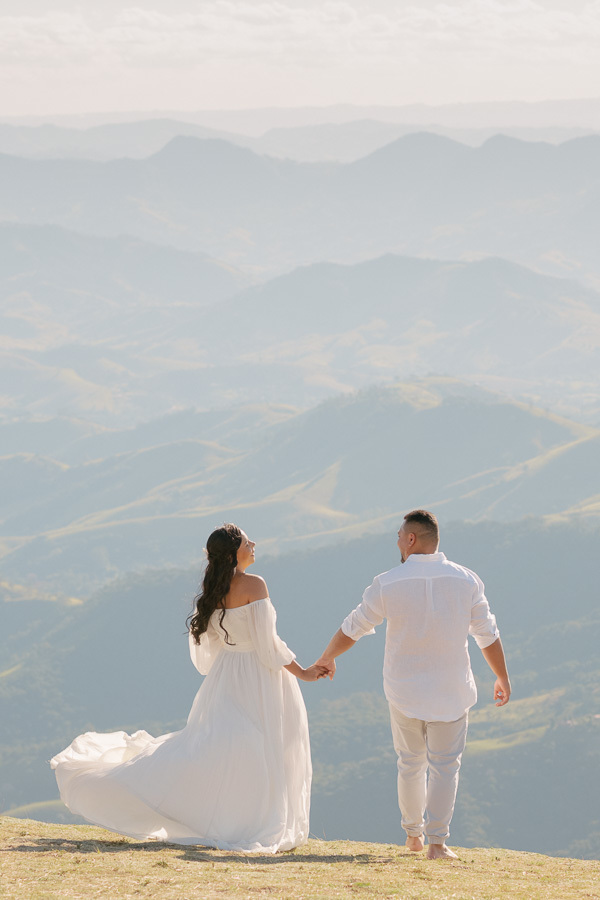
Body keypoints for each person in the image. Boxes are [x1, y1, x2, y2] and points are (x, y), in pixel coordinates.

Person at [51, 523, 327, 852]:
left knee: (221, 749)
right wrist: (304, 673)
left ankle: (231, 820)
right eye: (246, 541)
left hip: (226, 677)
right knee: (263, 750)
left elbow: (207, 654)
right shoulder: (255, 584)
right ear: (233, 552)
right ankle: (250, 823)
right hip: (261, 677)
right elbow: (269, 648)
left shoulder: (213, 590)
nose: (254, 544)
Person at [314, 509, 511, 860]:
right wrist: (502, 677)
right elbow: (487, 634)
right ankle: (437, 843)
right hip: (452, 690)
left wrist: (328, 657)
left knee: (410, 762)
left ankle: (413, 837)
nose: (398, 544)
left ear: (410, 539)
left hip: (404, 690)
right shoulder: (467, 580)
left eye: (399, 538)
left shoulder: (388, 583)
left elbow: (354, 626)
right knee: (446, 767)